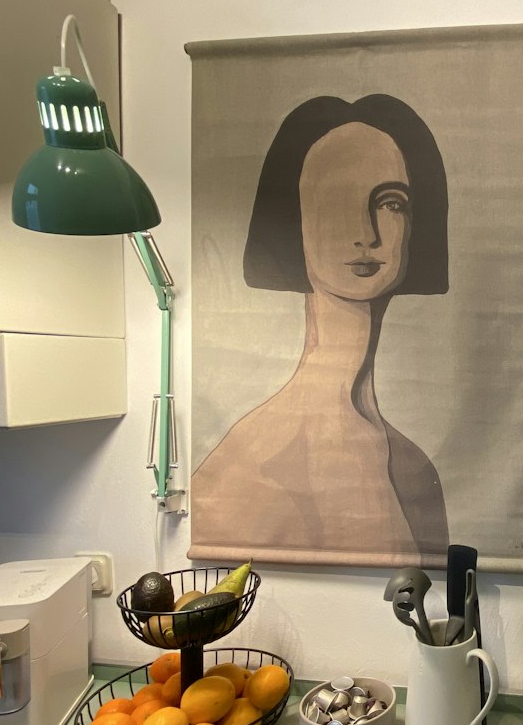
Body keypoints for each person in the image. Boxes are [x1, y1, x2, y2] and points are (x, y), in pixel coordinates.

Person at [192, 94, 450, 563]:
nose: (367, 233)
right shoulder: (247, 473)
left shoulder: (415, 470)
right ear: (295, 219)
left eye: (390, 203)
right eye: (334, 198)